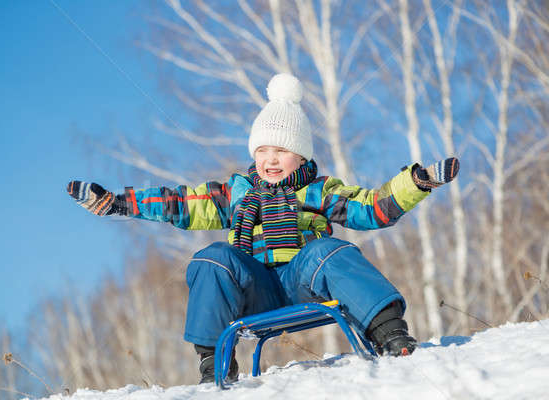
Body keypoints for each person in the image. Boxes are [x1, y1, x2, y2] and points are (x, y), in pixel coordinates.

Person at [67, 73, 459, 384]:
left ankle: (390, 335)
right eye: (262, 151)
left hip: (308, 280)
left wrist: (418, 182)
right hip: (257, 292)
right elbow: (179, 203)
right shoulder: (236, 193)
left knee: (326, 251)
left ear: (300, 154)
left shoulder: (319, 190)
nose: (270, 160)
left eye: (281, 151)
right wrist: (118, 202)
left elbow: (373, 209)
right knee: (213, 258)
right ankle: (213, 363)